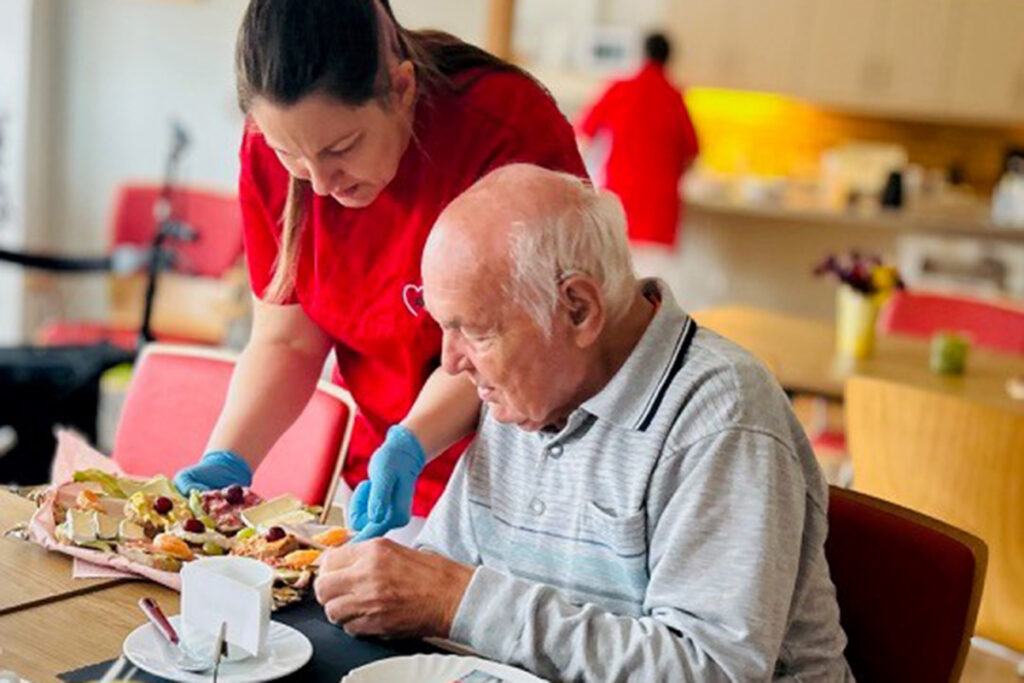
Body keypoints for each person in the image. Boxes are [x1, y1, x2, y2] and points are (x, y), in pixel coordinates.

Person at [314, 164, 853, 681]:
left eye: (473, 331)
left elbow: (709, 670)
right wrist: (384, 585)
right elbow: (446, 572)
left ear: (577, 310)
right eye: (442, 327)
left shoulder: (721, 418)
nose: (450, 362)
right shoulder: (531, 389)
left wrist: (453, 600)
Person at [172, 0, 586, 542]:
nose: (319, 184)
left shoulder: (504, 128)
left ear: (402, 88)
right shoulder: (273, 152)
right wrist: (227, 457)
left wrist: (410, 443)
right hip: (379, 470)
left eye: (341, 148)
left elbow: (499, 346)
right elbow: (288, 343)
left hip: (521, 477)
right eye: (290, 155)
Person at [576, 32, 699, 248]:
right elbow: (691, 155)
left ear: (641, 54)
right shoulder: (675, 98)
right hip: (659, 212)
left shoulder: (619, 89)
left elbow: (584, 137)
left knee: (613, 275)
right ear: (669, 58)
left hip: (619, 201)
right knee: (654, 278)